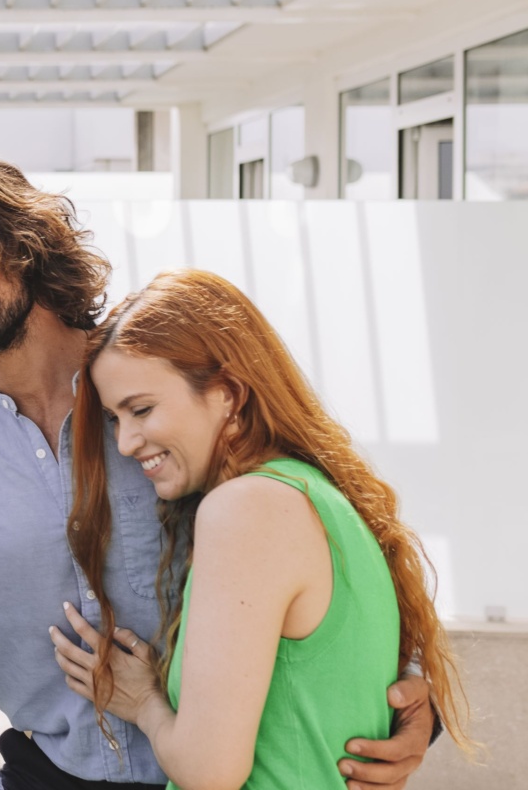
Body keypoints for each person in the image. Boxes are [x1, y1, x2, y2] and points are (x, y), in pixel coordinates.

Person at [0, 159, 438, 790]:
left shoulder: (155, 384)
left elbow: (317, 533)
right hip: (50, 774)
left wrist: (406, 693)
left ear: (24, 248)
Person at [51, 270, 470, 788]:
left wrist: (142, 702)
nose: (126, 442)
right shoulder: (314, 497)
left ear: (226, 392)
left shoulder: (246, 509)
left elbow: (210, 771)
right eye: (116, 418)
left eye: (141, 409)